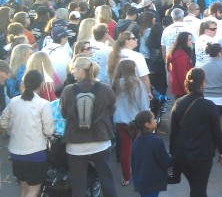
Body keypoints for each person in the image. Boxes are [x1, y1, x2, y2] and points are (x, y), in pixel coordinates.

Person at [60, 57, 117, 197]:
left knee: (78, 184)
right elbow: (111, 110)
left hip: (75, 143)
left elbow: (63, 113)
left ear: (80, 71)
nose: (72, 73)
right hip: (100, 140)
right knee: (106, 178)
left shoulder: (68, 90)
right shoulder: (105, 89)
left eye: (74, 70)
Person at [169, 68, 222, 197]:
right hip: (202, 157)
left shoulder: (178, 103)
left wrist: (173, 154)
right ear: (202, 84)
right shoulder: (209, 106)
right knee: (199, 189)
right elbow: (217, 132)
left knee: (196, 188)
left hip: (182, 155)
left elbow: (173, 133)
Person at [0, 70, 55, 197]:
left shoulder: (14, 101)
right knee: (33, 190)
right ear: (41, 85)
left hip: (15, 153)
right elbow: (49, 131)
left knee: (24, 189)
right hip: (35, 154)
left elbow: (3, 122)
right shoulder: (43, 104)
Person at [112, 60, 150, 186]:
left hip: (120, 122)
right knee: (139, 148)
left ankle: (126, 177)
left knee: (125, 149)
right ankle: (140, 172)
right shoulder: (136, 83)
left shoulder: (114, 83)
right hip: (135, 121)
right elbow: (143, 104)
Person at [130, 110, 171, 197]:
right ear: (147, 124)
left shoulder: (136, 141)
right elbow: (165, 162)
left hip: (140, 181)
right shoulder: (156, 141)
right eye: (153, 118)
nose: (156, 120)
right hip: (152, 182)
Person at [168, 31, 195, 100]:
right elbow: (182, 75)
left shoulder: (178, 53)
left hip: (178, 89)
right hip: (182, 90)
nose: (191, 42)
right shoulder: (181, 56)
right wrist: (187, 90)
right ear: (184, 41)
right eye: (189, 40)